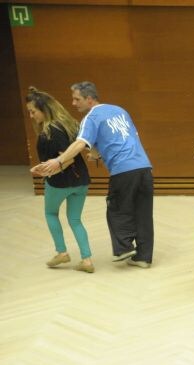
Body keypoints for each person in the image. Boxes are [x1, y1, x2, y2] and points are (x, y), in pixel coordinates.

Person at [31, 81, 154, 268]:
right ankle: (143, 257)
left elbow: (80, 143)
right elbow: (120, 137)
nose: (73, 103)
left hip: (123, 170)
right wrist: (96, 154)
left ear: (89, 99)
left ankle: (124, 247)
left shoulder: (91, 117)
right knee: (143, 212)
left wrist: (59, 161)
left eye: (77, 99)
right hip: (144, 167)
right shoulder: (119, 110)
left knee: (116, 209)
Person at [25, 87, 93, 274]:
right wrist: (42, 167)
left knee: (50, 214)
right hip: (81, 182)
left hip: (60, 183)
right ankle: (86, 260)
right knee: (75, 219)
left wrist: (45, 170)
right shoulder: (69, 124)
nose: (31, 115)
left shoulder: (51, 130)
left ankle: (62, 252)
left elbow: (65, 158)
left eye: (33, 111)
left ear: (44, 110)